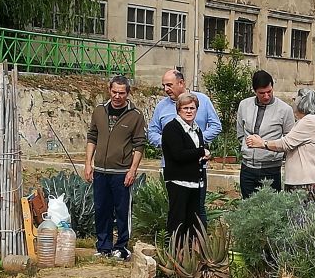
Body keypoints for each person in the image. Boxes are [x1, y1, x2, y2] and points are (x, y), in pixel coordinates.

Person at [84, 75, 147, 260]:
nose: (117, 96)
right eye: (114, 92)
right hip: (101, 171)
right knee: (101, 209)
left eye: (121, 93)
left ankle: (121, 247)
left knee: (122, 211)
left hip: (121, 173)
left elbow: (139, 144)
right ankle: (103, 246)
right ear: (109, 90)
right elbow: (92, 137)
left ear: (128, 93)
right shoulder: (99, 111)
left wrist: (132, 170)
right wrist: (88, 163)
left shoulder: (136, 116)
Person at [148, 69, 222, 225]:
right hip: (174, 168)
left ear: (181, 83)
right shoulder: (162, 106)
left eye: (169, 85)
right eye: (163, 86)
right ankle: (176, 247)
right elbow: (152, 132)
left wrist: (197, 144)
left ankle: (198, 246)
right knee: (177, 211)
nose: (165, 89)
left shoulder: (202, 100)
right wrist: (171, 143)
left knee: (197, 210)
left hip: (197, 168)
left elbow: (215, 125)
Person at [245, 88, 315, 199]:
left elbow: (286, 144)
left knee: (300, 215)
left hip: (304, 182)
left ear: (302, 102)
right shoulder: (310, 121)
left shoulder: (309, 121)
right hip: (304, 180)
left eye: (295, 99)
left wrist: (262, 143)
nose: (293, 102)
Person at [236, 70, 295, 198]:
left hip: (271, 168)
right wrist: (246, 147)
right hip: (247, 168)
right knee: (247, 208)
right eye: (262, 93)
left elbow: (290, 139)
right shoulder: (244, 105)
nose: (266, 96)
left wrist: (272, 151)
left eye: (269, 91)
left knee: (270, 210)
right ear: (255, 91)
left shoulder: (285, 110)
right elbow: (240, 133)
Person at [161, 93, 209, 244]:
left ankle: (188, 255)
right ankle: (173, 253)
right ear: (178, 110)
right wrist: (201, 152)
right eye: (185, 108)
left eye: (192, 108)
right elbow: (178, 154)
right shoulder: (171, 128)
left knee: (192, 222)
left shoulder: (197, 129)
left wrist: (203, 155)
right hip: (178, 181)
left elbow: (194, 152)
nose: (189, 111)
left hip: (195, 182)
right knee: (177, 221)